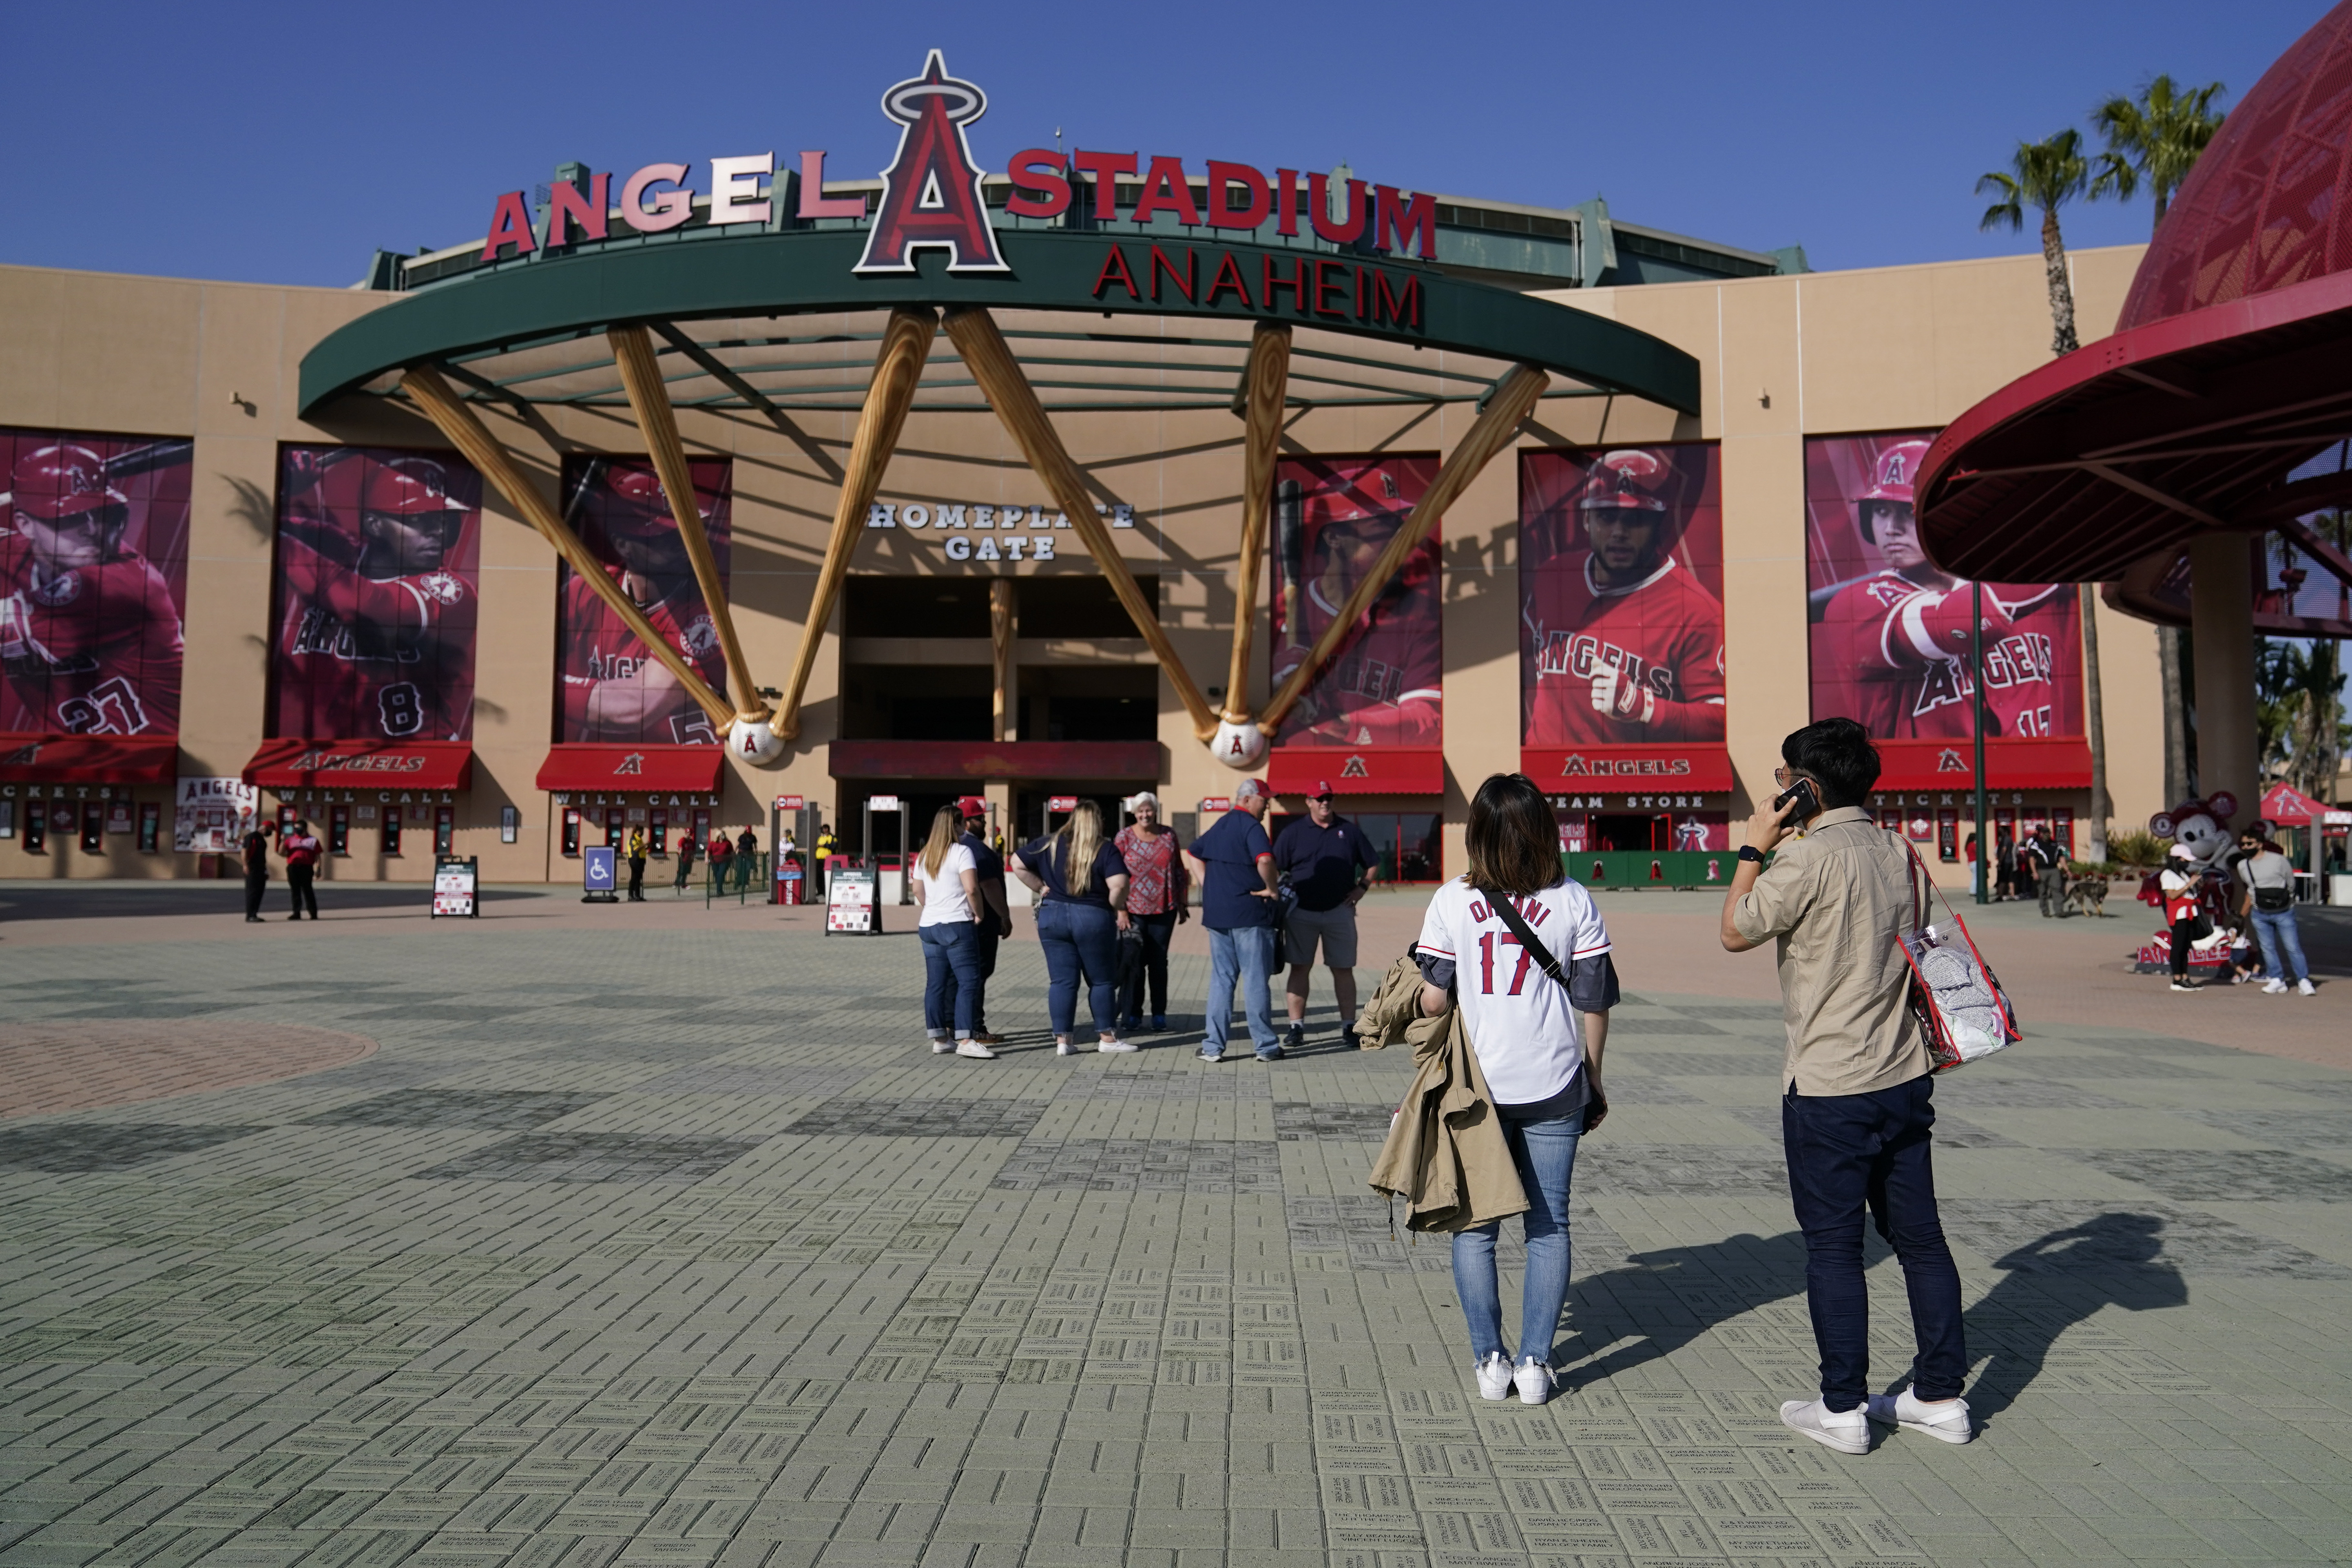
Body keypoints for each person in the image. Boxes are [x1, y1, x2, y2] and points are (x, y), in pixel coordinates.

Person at [1721, 717, 1973, 1453]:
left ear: (1805, 786)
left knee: (1833, 1248)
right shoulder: (1899, 849)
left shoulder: (1805, 861)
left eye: (1783, 778)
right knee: (1921, 1240)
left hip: (1830, 1079)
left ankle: (1842, 1409)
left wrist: (1754, 846)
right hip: (1902, 1072)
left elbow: (1735, 929)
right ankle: (1940, 1397)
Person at [1415, 773, 1617, 1406]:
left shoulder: (1452, 900)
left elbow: (1433, 998)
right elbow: (1593, 1001)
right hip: (1555, 1079)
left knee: (1473, 1228)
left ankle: (1489, 1361)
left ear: (1477, 832)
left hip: (1476, 1086)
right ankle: (1535, 1364)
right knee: (1547, 1223)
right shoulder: (1574, 900)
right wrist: (1592, 1074)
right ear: (1542, 830)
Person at [1810, 441, 2067, 740]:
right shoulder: (1854, 605)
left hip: (2039, 775)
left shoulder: (2054, 599)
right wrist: (2056, 557)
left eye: (1908, 511)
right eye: (1881, 510)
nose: (1891, 528)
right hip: (1918, 783)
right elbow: (1959, 621)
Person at [1522, 448, 1726, 744]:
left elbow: (1722, 722)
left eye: (1635, 519)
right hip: (1545, 778)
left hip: (1633, 782)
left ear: (1659, 525)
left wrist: (1643, 707)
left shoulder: (1696, 610)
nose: (1619, 531)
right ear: (1586, 520)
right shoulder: (1552, 576)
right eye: (1606, 516)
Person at [274, 452, 476, 741]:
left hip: (420, 751)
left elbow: (366, 604)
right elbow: (253, 525)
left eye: (444, 520)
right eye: (421, 520)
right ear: (374, 524)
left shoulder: (450, 590)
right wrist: (284, 490)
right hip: (339, 747)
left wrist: (270, 536)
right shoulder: (340, 549)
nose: (439, 531)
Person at [0, 443, 186, 739]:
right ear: (26, 525)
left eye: (103, 514)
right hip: (75, 761)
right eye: (71, 518)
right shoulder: (14, 556)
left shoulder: (128, 583)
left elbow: (12, 631)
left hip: (162, 758)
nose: (92, 529)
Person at [556, 462, 726, 746]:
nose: (682, 543)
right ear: (623, 544)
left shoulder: (704, 613)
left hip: (682, 764)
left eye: (686, 530)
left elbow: (636, 705)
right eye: (664, 535)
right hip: (600, 766)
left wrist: (535, 686)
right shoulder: (588, 590)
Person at [1270, 465, 1442, 746]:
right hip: (1296, 779)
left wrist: (1340, 724)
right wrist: (1275, 687)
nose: (1396, 541)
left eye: (1397, 527)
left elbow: (1427, 722)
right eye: (1381, 528)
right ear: (1334, 538)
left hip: (1384, 775)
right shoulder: (1281, 616)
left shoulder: (1417, 616)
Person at [1013, 799, 1133, 1055]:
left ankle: (1063, 1042)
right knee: (1101, 981)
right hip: (1092, 916)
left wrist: (1040, 888)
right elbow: (1120, 885)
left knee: (1062, 981)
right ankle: (1107, 1039)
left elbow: (1017, 863)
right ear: (1096, 821)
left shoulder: (1050, 843)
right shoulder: (1105, 849)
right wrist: (1113, 906)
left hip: (1052, 915)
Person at [1274, 780, 1378, 1050]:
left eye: (1328, 797)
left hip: (1338, 912)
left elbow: (1372, 863)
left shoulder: (1348, 831)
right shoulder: (1294, 832)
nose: (1324, 802)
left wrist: (1361, 889)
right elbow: (1274, 865)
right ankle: (1296, 1027)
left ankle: (1348, 1026)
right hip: (1301, 912)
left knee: (1343, 969)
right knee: (1300, 967)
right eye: (1319, 798)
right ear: (1308, 801)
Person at [1186, 778, 1283, 1062]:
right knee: (1255, 980)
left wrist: (1208, 885)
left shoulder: (1221, 824)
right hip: (1249, 914)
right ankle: (1265, 1046)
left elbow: (1193, 851)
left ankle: (1213, 1047)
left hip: (1218, 914)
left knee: (1221, 981)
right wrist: (1272, 888)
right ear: (1247, 799)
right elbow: (1264, 860)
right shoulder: (1252, 826)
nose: (1267, 805)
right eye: (1263, 800)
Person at [911, 804, 992, 1059]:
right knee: (968, 982)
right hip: (957, 923)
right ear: (956, 826)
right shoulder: (962, 852)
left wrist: (932, 908)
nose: (964, 828)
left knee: (935, 984)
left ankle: (939, 1038)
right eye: (961, 824)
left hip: (929, 926)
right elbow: (972, 889)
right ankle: (966, 1039)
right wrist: (979, 913)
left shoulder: (925, 855)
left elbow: (917, 890)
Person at [1114, 793, 1189, 1033]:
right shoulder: (1124, 837)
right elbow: (1113, 874)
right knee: (1135, 964)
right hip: (1133, 911)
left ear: (1156, 811)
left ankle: (1159, 1014)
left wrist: (1183, 903)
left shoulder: (1169, 836)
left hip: (1163, 909)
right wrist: (1120, 910)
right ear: (1134, 813)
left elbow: (1179, 869)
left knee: (1158, 963)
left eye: (1149, 810)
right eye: (1140, 811)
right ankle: (1134, 1014)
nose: (1145, 815)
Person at [946, 797, 1011, 1045]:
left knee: (953, 976)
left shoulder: (945, 847)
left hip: (951, 921)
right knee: (977, 975)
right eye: (980, 819)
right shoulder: (977, 850)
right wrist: (1004, 916)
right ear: (966, 822)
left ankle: (951, 1024)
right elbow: (987, 886)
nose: (984, 823)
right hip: (980, 923)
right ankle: (974, 1027)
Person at [2242, 831, 2316, 995]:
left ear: (2260, 844)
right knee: (2267, 948)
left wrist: (2287, 899)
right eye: (2244, 845)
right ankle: (2277, 978)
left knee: (2293, 947)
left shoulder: (2278, 860)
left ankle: (2303, 980)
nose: (2246, 847)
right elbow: (2250, 887)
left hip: (2283, 911)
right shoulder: (2243, 865)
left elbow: (2291, 882)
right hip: (2259, 912)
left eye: (2250, 844)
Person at [2160, 841, 2205, 993]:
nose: (2187, 864)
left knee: (2186, 946)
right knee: (2178, 947)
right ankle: (2177, 979)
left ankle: (2185, 977)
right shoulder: (2167, 875)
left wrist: (2197, 885)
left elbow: (2188, 892)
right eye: (2185, 861)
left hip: (2190, 913)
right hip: (2179, 914)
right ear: (2177, 859)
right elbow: (2172, 895)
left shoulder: (2183, 874)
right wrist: (2189, 885)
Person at [280, 818, 323, 921]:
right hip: (293, 867)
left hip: (307, 868)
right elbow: (281, 853)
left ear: (304, 828)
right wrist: (282, 840)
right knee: (295, 891)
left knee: (308, 890)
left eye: (298, 828)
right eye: (295, 828)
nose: (296, 830)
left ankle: (313, 913)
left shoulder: (313, 840)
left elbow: (318, 856)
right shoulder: (290, 840)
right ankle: (296, 913)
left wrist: (319, 869)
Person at [241, 820, 274, 923]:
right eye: (270, 830)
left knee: (259, 891)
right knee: (253, 891)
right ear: (265, 828)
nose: (271, 833)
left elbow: (262, 857)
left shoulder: (262, 839)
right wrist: (246, 865)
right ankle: (250, 915)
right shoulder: (252, 837)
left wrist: (265, 871)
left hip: (260, 868)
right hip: (252, 867)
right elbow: (245, 851)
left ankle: (255, 914)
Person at [674, 826, 699, 892]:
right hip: (683, 858)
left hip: (689, 859)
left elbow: (693, 850)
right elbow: (680, 848)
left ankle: (682, 883)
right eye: (688, 833)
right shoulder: (682, 840)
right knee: (681, 871)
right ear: (686, 833)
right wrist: (681, 854)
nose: (689, 834)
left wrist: (693, 857)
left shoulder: (691, 841)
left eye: (690, 833)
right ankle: (678, 883)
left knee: (686, 871)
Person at [625, 827, 647, 902]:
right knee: (634, 877)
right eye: (639, 831)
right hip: (635, 860)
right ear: (636, 831)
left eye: (641, 831)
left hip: (641, 860)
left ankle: (638, 895)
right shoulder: (633, 839)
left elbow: (642, 849)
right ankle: (631, 895)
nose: (640, 833)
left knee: (639, 878)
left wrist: (647, 847)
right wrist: (644, 845)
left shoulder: (640, 839)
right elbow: (636, 849)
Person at [734, 826, 759, 892]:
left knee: (747, 869)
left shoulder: (753, 837)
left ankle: (746, 883)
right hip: (741, 854)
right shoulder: (742, 837)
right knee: (740, 869)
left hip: (749, 854)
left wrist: (756, 853)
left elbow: (755, 846)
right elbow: (738, 844)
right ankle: (739, 883)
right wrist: (735, 851)